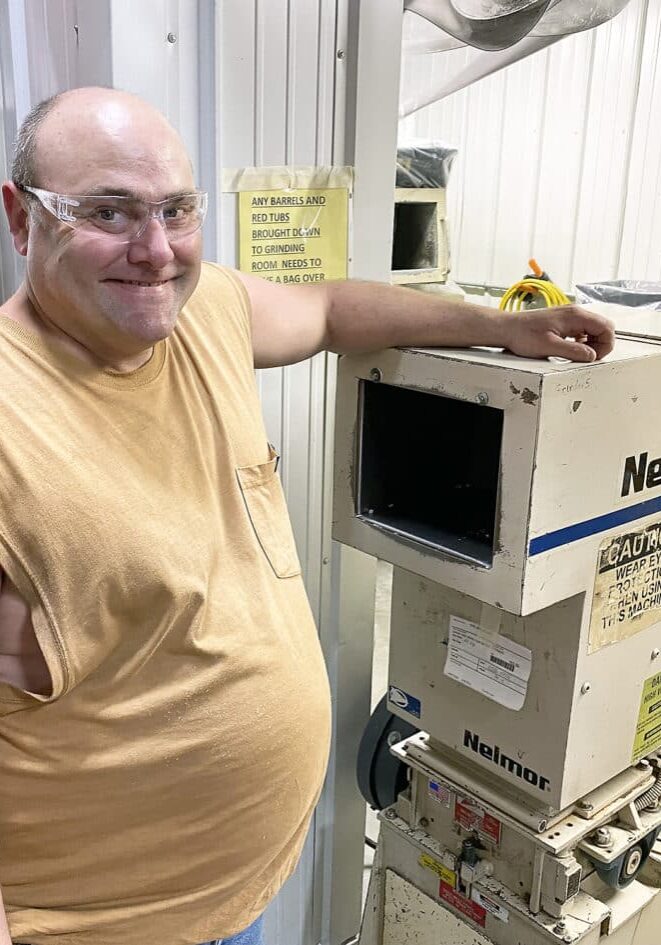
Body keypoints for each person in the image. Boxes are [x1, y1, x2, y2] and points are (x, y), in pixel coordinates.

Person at [0, 86, 614, 945]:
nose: (154, 249)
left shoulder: (202, 311)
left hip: (237, 896)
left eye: (176, 210)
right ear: (22, 218)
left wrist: (497, 328)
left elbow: (330, 308)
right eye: (108, 211)